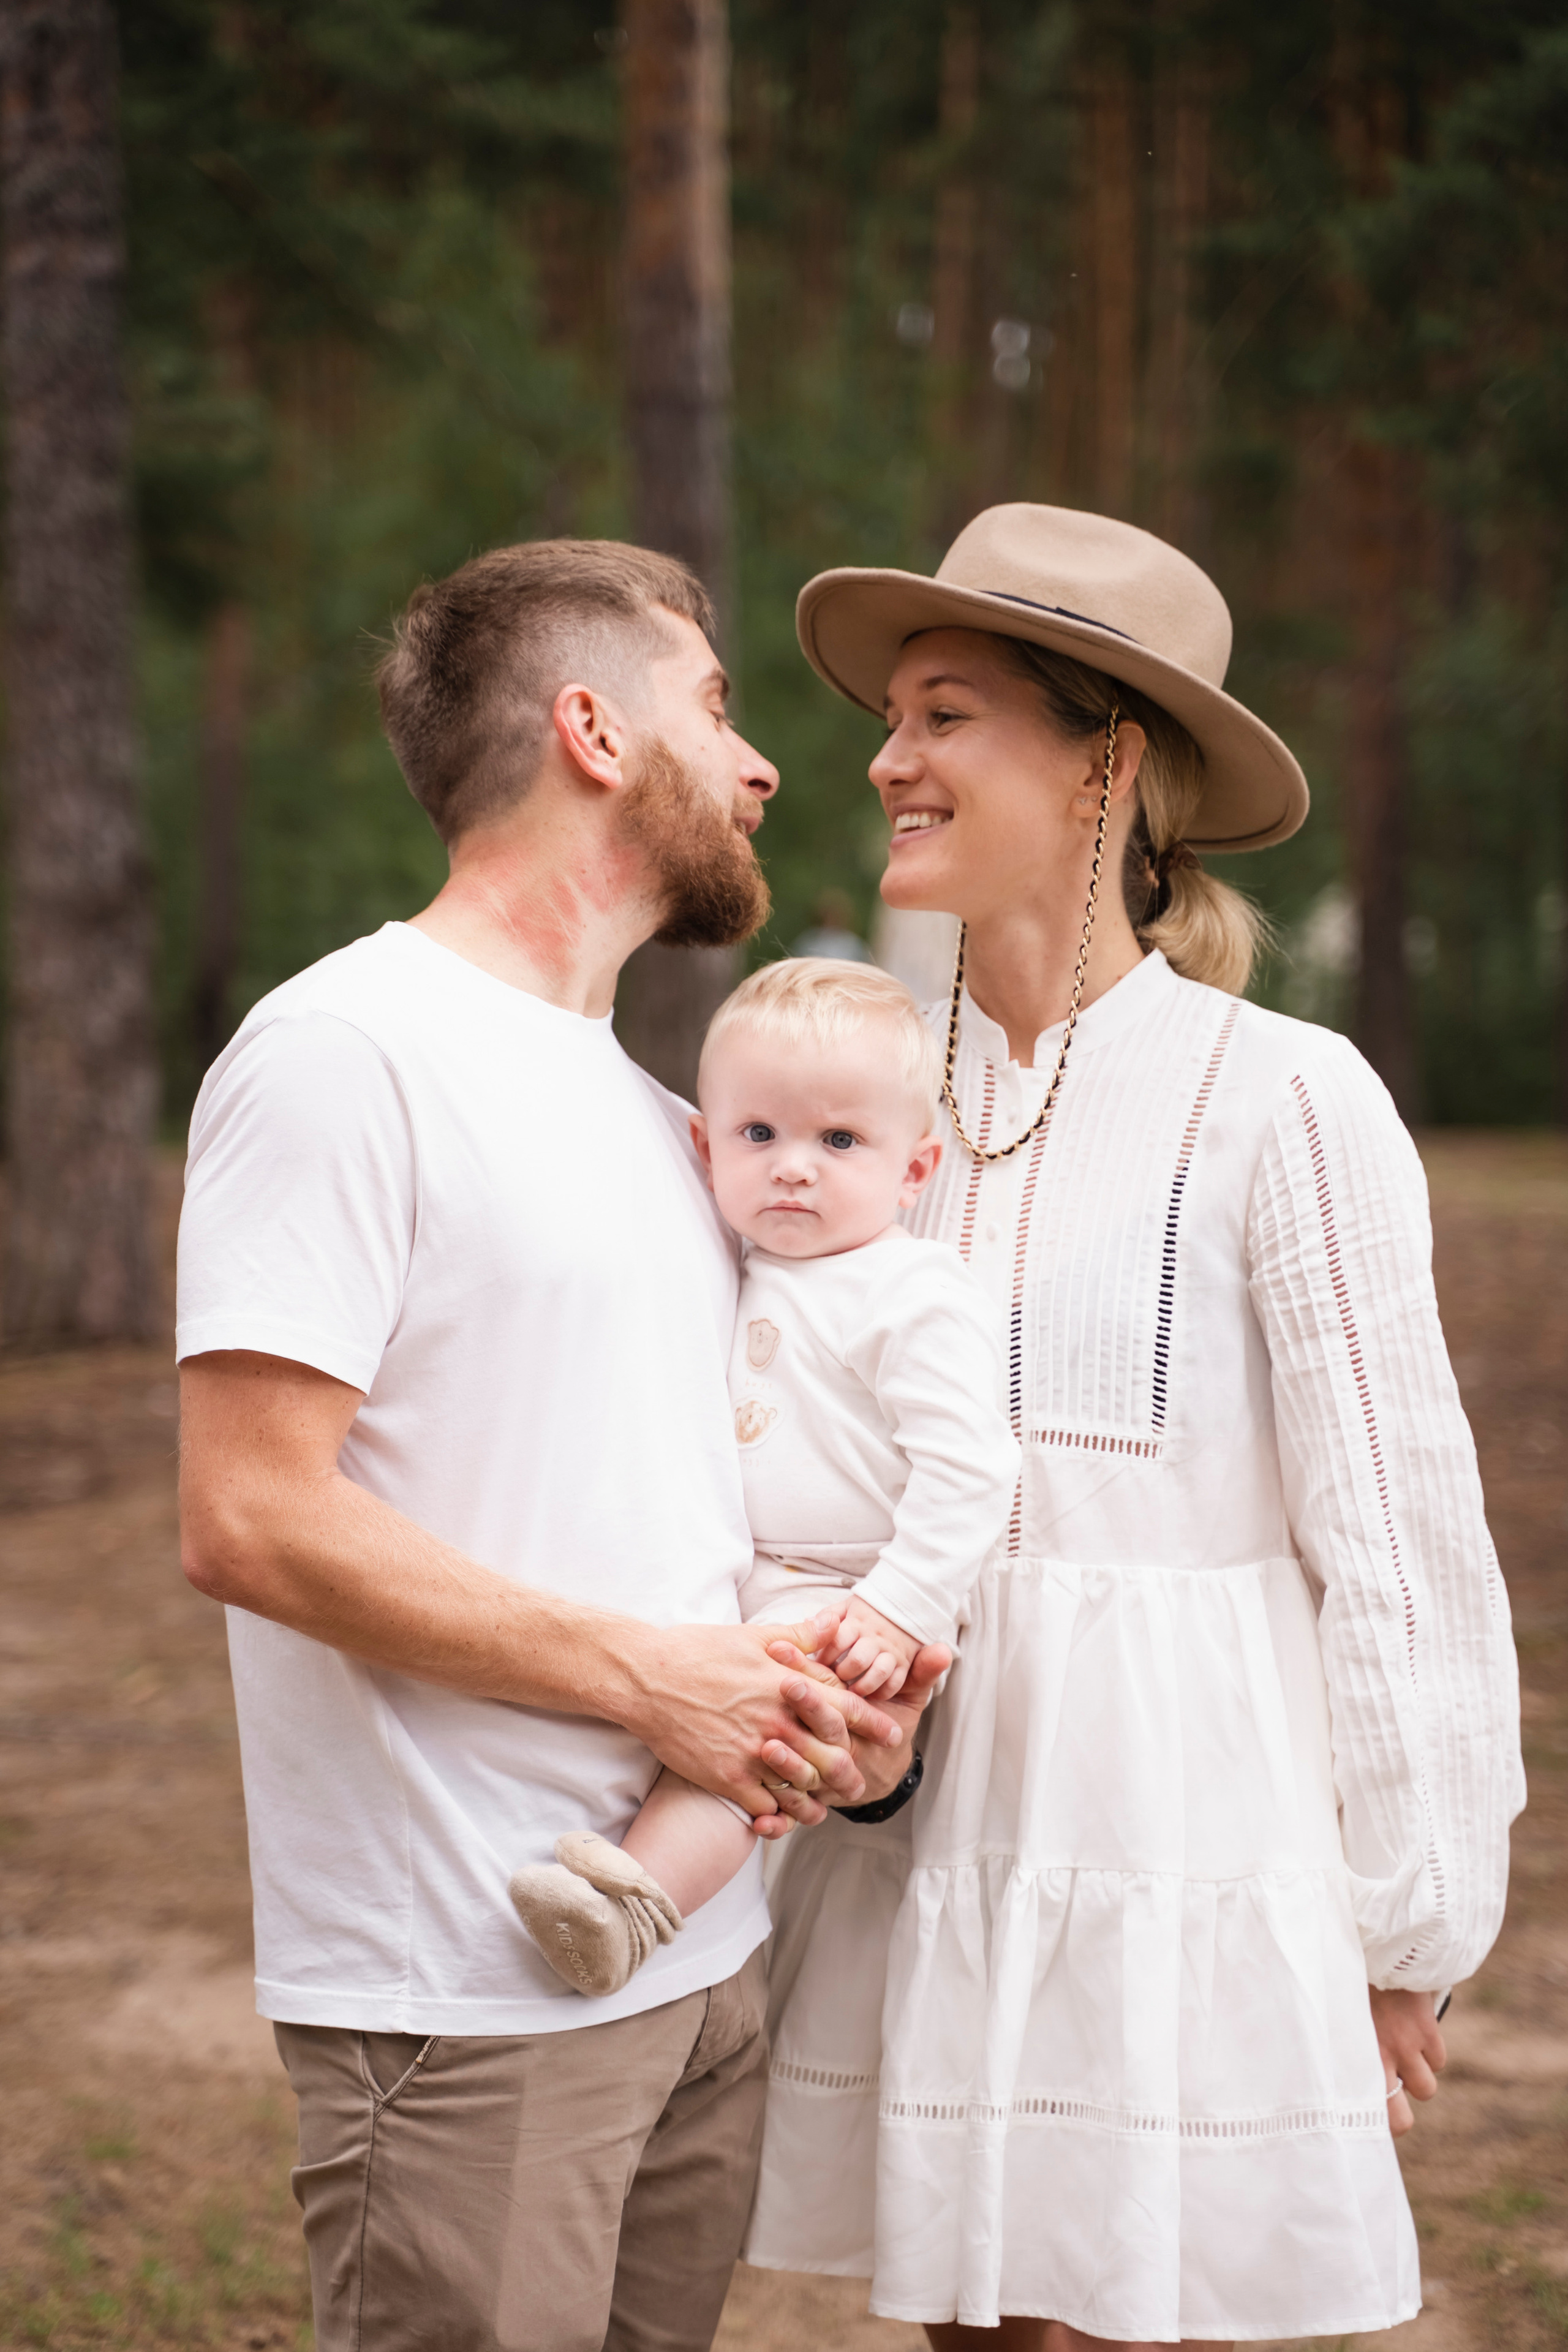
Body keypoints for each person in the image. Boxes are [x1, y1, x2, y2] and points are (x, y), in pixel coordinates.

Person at [744, 503, 1525, 2348]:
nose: (887, 759)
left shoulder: (1284, 1095)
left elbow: (1394, 1532)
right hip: (911, 1825)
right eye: (892, 720)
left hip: (1172, 1836)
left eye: (945, 715)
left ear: (1106, 761)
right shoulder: (858, 1093)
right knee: (960, 2324)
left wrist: (1408, 1924)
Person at [175, 538, 937, 2352]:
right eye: (719, 709)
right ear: (594, 731)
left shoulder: (672, 1121)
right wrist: (653, 1683)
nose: (762, 766)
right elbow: (247, 1517)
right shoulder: (345, 1053)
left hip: (699, 1957)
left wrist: (833, 1698)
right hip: (467, 1986)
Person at [508, 958, 1020, 1997]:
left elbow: (972, 1468)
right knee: (705, 1716)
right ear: (705, 1147)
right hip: (751, 1573)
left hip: (849, 1594)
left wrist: (899, 1604)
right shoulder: (730, 1265)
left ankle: (633, 1910)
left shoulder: (911, 1291)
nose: (793, 1168)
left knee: (756, 1741)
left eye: (839, 1141)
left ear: (914, 1170)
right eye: (759, 1134)